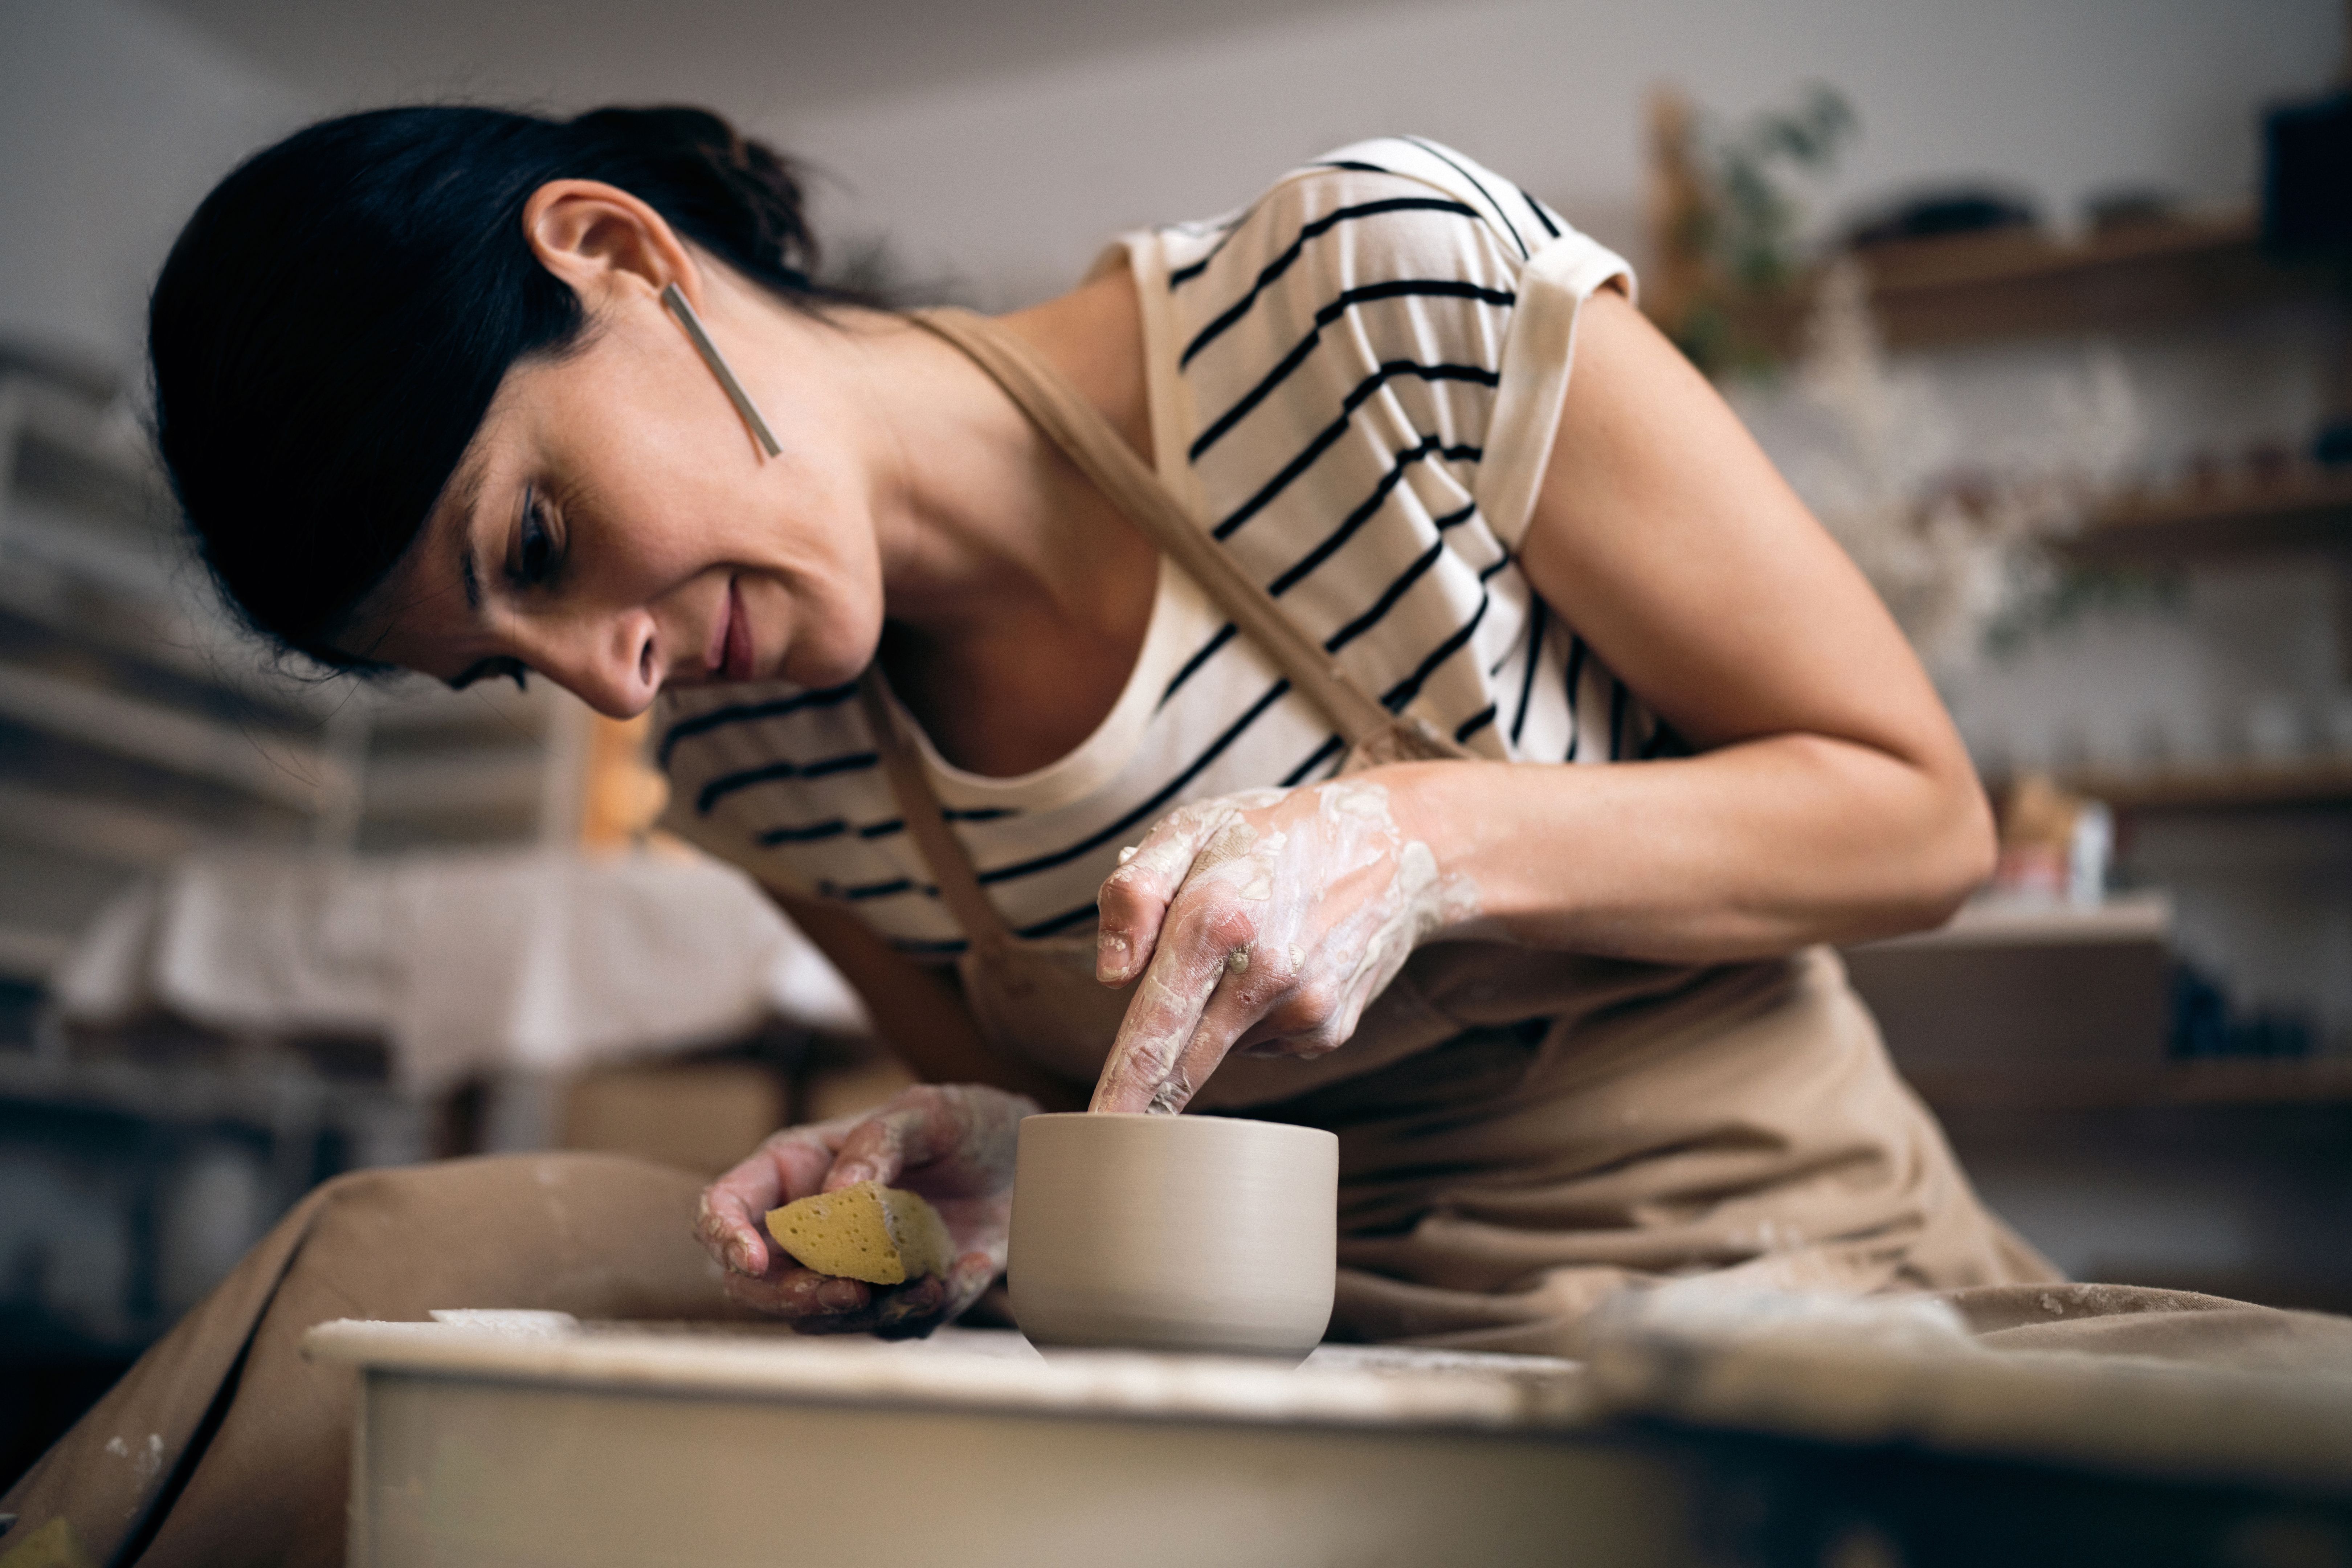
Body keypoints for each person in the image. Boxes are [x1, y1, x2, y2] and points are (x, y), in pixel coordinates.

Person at [9, 103, 2057, 1562]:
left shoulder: (1368, 303)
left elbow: (1912, 814)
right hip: (1305, 1396)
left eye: (537, 544)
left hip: (1787, 1294)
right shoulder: (758, 767)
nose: (613, 689)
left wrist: (1424, 837)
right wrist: (995, 1175)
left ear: (615, 252)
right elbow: (1065, 1146)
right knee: (391, 1260)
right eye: (508, 667)